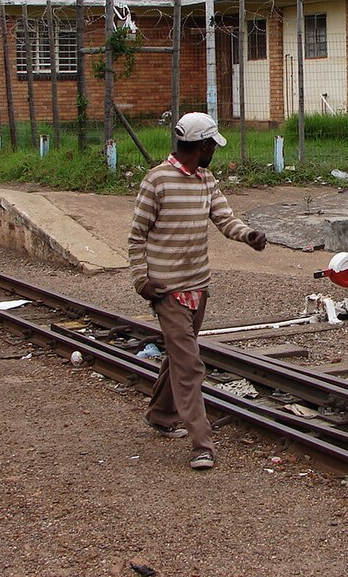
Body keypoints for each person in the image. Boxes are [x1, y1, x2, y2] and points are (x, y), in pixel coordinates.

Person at [127, 112, 266, 470]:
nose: (214, 153)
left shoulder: (206, 180)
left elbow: (224, 218)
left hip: (198, 286)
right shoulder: (156, 181)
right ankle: (202, 444)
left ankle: (160, 414)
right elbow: (136, 237)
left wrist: (249, 235)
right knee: (189, 365)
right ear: (202, 146)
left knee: (178, 356)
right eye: (212, 146)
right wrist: (142, 281)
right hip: (166, 289)